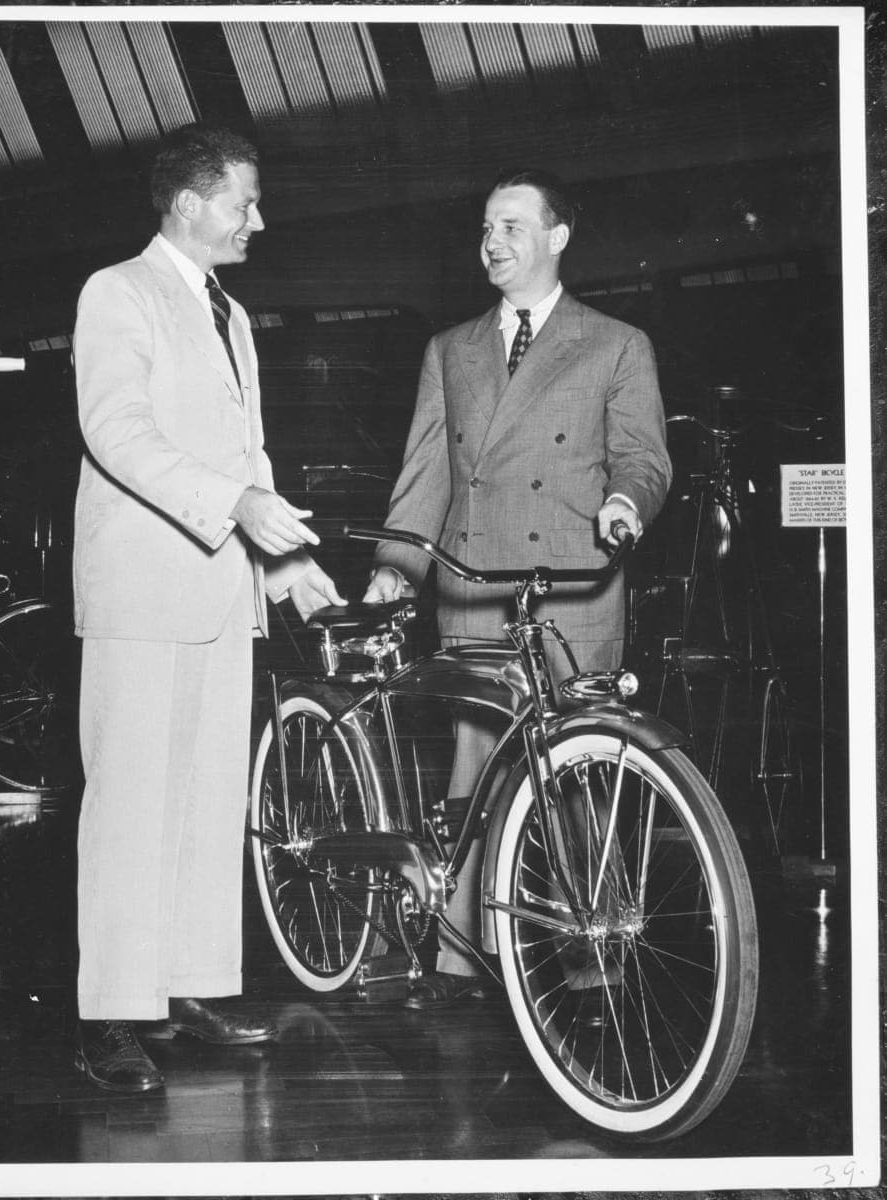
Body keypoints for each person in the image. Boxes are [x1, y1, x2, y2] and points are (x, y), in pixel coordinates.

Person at [71, 123, 345, 1092]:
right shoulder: (117, 294)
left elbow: (249, 459)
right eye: (244, 203)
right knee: (131, 808)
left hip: (224, 594)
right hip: (141, 594)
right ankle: (108, 1014)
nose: (257, 221)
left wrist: (283, 568)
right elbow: (115, 432)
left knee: (200, 803)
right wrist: (235, 508)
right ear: (189, 205)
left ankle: (186, 988)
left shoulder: (231, 318)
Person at [364, 167, 672, 1008]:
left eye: (511, 227)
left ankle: (590, 951)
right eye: (487, 230)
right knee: (476, 768)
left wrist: (624, 502)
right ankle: (465, 955)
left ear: (557, 236)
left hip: (571, 586)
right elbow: (426, 474)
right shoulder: (450, 349)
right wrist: (398, 565)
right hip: (473, 585)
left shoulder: (616, 343)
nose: (491, 243)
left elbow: (644, 456)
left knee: (572, 772)